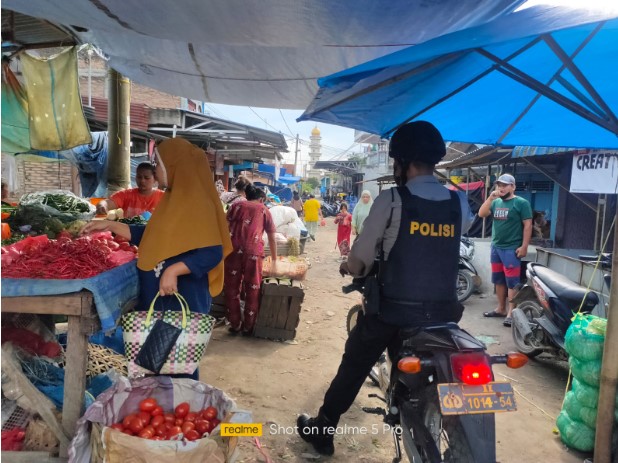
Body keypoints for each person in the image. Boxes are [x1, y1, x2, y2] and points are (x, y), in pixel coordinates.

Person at [296, 121, 474, 456]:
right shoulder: (458, 203)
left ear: (401, 162)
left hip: (393, 311)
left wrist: (351, 266)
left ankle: (323, 429)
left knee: (355, 362)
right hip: (442, 316)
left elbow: (361, 257)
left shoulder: (392, 199)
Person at [81, 138, 233, 379]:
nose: (155, 170)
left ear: (176, 167)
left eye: (158, 164)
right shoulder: (173, 199)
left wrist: (174, 270)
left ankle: (179, 408)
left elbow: (212, 252)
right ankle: (162, 407)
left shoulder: (197, 204)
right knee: (155, 363)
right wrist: (110, 225)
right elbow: (152, 236)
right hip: (160, 300)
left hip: (181, 300)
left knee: (178, 363)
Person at [479, 173, 532, 327]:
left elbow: (528, 225)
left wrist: (524, 246)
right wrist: (490, 198)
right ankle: (501, 309)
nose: (501, 188)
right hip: (496, 247)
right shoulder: (495, 203)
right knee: (499, 280)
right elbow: (481, 214)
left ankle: (511, 313)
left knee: (512, 282)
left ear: (513, 187)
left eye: (504, 185)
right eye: (499, 185)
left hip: (511, 249)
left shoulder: (521, 203)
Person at [224, 185, 277, 335]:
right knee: (253, 288)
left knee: (232, 288)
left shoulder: (235, 206)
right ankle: (248, 326)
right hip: (253, 252)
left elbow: (225, 227)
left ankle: (235, 324)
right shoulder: (263, 209)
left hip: (233, 250)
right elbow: (272, 237)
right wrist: (274, 260)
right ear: (261, 198)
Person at [96, 162, 165, 217]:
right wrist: (102, 205)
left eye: (146, 178)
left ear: (155, 179)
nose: (142, 181)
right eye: (139, 177)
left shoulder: (163, 197)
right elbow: (107, 202)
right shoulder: (126, 194)